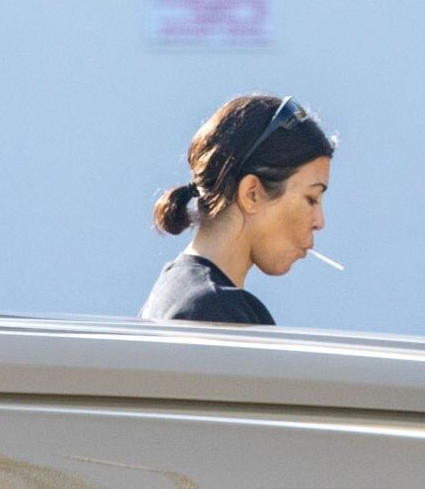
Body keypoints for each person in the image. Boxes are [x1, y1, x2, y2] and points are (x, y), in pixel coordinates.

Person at [142, 94, 333, 324]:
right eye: (311, 198)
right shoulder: (217, 312)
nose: (320, 222)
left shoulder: (174, 291)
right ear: (252, 194)